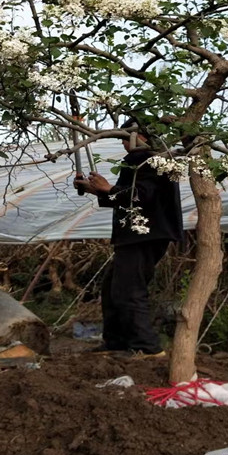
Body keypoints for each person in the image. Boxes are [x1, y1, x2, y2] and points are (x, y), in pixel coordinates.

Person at [74, 119, 183, 358]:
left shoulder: (152, 161)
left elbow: (142, 196)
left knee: (129, 290)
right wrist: (97, 189)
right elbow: (127, 198)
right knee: (112, 287)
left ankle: (147, 347)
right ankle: (117, 342)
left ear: (140, 137)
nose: (123, 143)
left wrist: (108, 189)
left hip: (146, 234)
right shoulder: (143, 162)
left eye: (125, 138)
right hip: (136, 234)